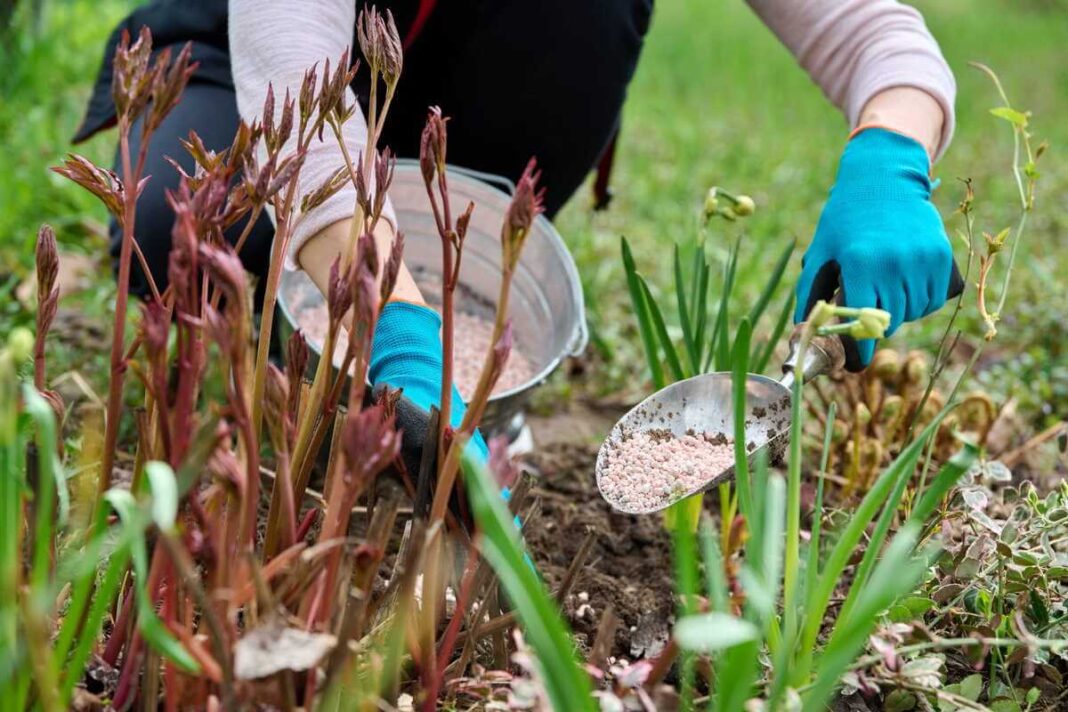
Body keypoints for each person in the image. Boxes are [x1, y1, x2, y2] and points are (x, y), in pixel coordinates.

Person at [77, 0, 959, 458]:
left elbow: (874, 34)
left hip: (464, 117)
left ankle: (468, 350)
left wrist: (890, 162)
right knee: (179, 226)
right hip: (252, 76)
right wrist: (400, 330)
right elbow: (289, 80)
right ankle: (286, 365)